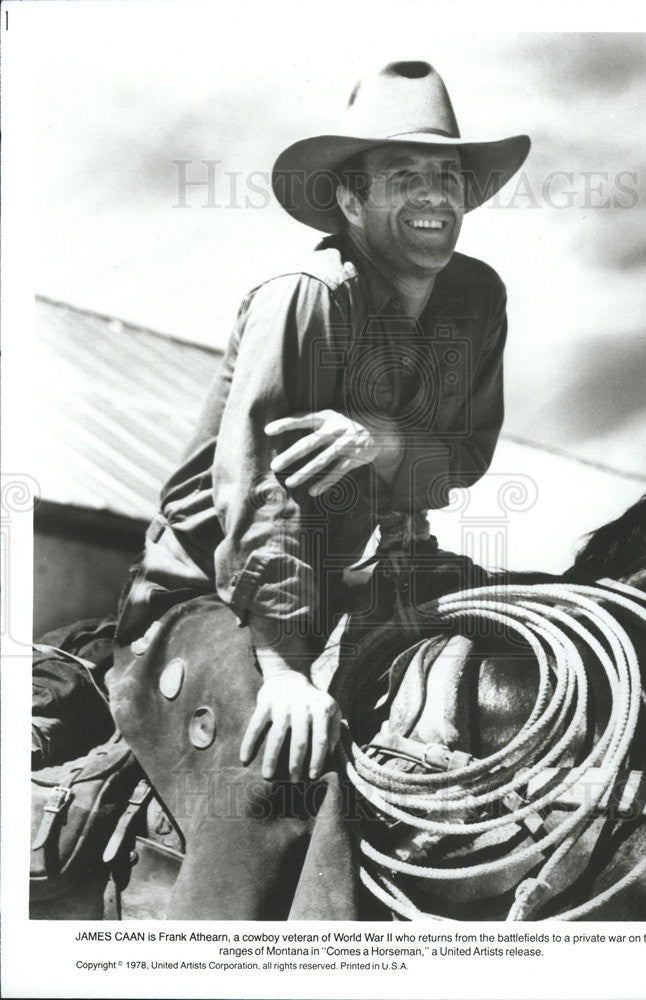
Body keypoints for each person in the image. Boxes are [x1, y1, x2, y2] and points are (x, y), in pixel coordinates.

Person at [106, 60, 530, 918]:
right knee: (282, 770)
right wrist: (286, 667)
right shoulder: (306, 299)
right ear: (350, 202)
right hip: (221, 596)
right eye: (405, 175)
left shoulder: (477, 299)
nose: (434, 194)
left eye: (447, 174)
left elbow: (465, 457)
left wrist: (384, 441)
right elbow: (262, 494)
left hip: (375, 579)